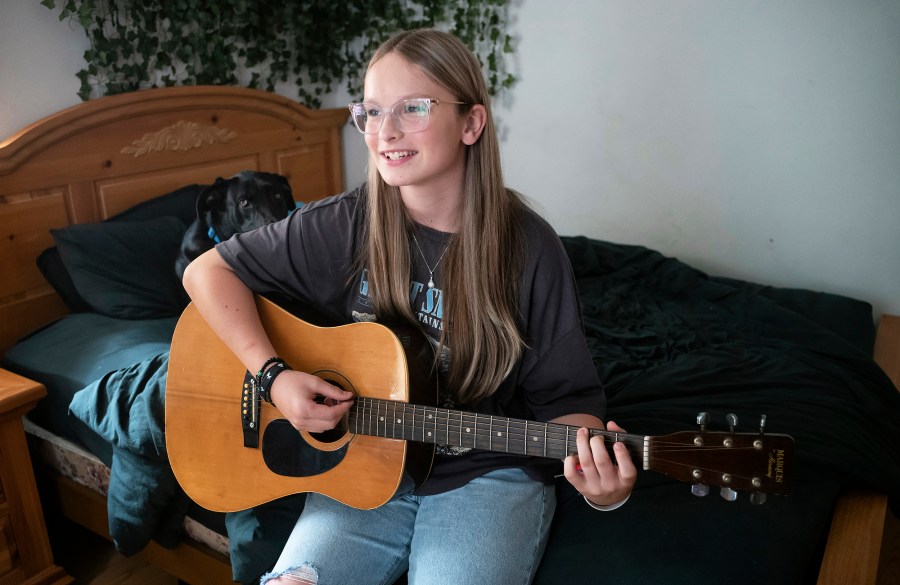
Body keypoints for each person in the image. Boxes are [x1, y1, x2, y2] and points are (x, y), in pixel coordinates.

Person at [182, 28, 636, 585]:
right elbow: (206, 271)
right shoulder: (348, 221)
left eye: (413, 108)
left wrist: (602, 487)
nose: (385, 131)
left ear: (471, 123)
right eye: (371, 112)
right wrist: (273, 377)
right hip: (366, 465)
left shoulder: (529, 248)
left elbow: (571, 404)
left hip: (487, 474)